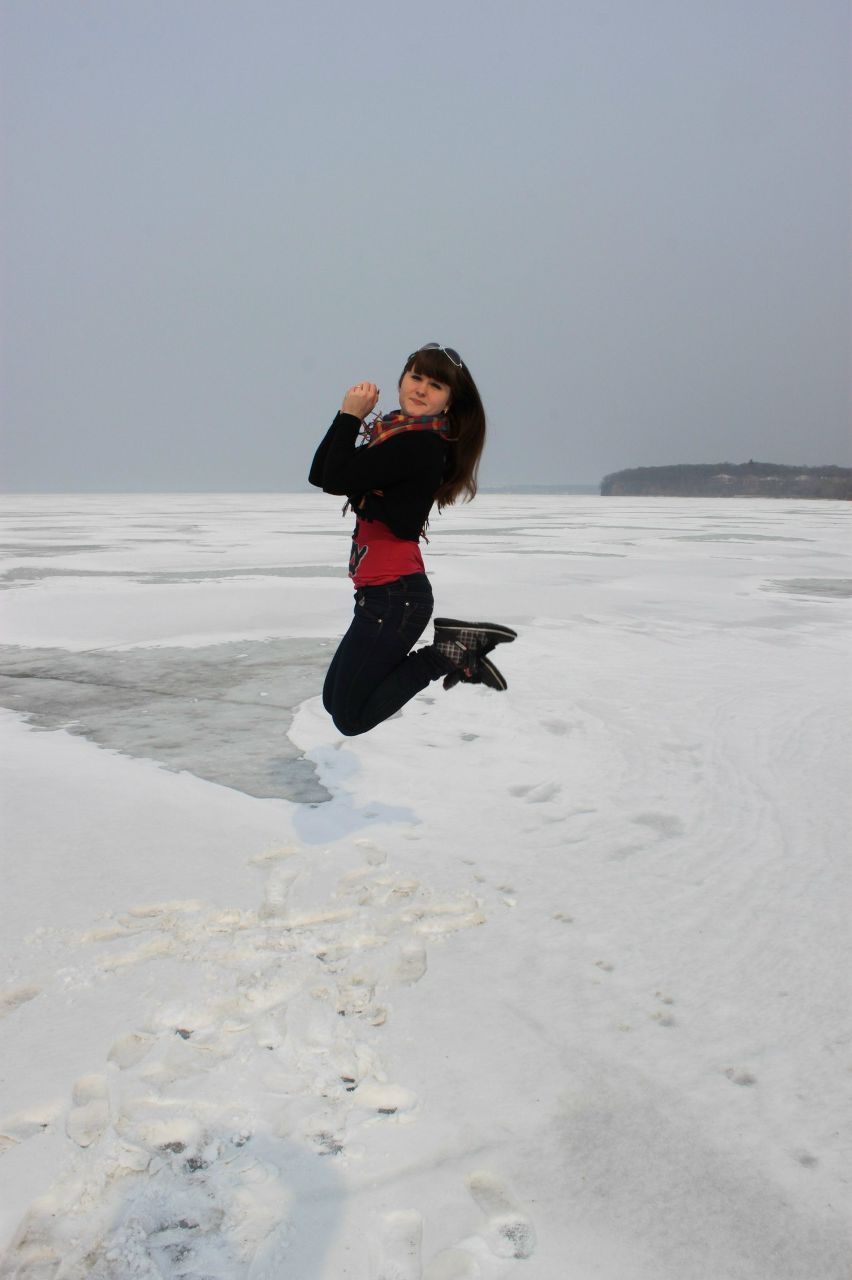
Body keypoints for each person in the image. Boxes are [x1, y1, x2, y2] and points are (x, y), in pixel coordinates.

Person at [309, 342, 516, 737]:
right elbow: (322, 475)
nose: (421, 389)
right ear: (402, 379)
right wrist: (344, 417)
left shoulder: (418, 444)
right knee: (334, 702)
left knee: (350, 718)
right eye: (416, 377)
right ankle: (451, 650)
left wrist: (352, 417)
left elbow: (336, 479)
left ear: (450, 401)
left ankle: (448, 653)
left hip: (396, 596)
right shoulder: (394, 434)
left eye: (435, 385)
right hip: (380, 596)